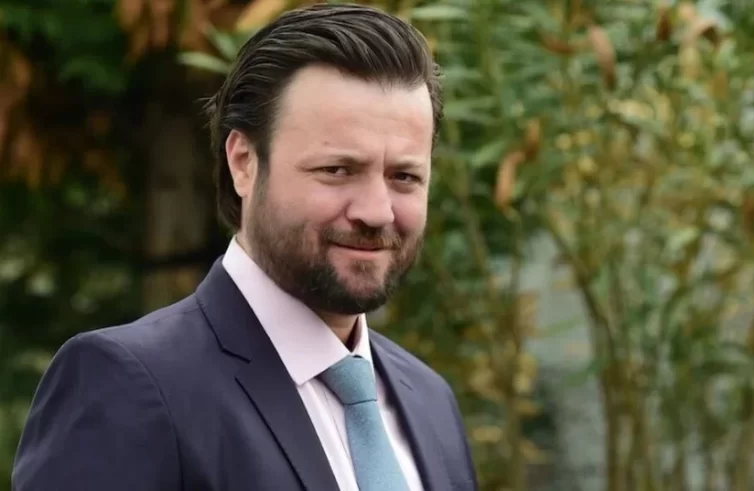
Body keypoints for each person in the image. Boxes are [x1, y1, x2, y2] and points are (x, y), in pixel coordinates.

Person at [11, 3, 477, 490]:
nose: (376, 211)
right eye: (337, 170)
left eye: (404, 177)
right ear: (243, 162)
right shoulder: (128, 386)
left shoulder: (429, 402)